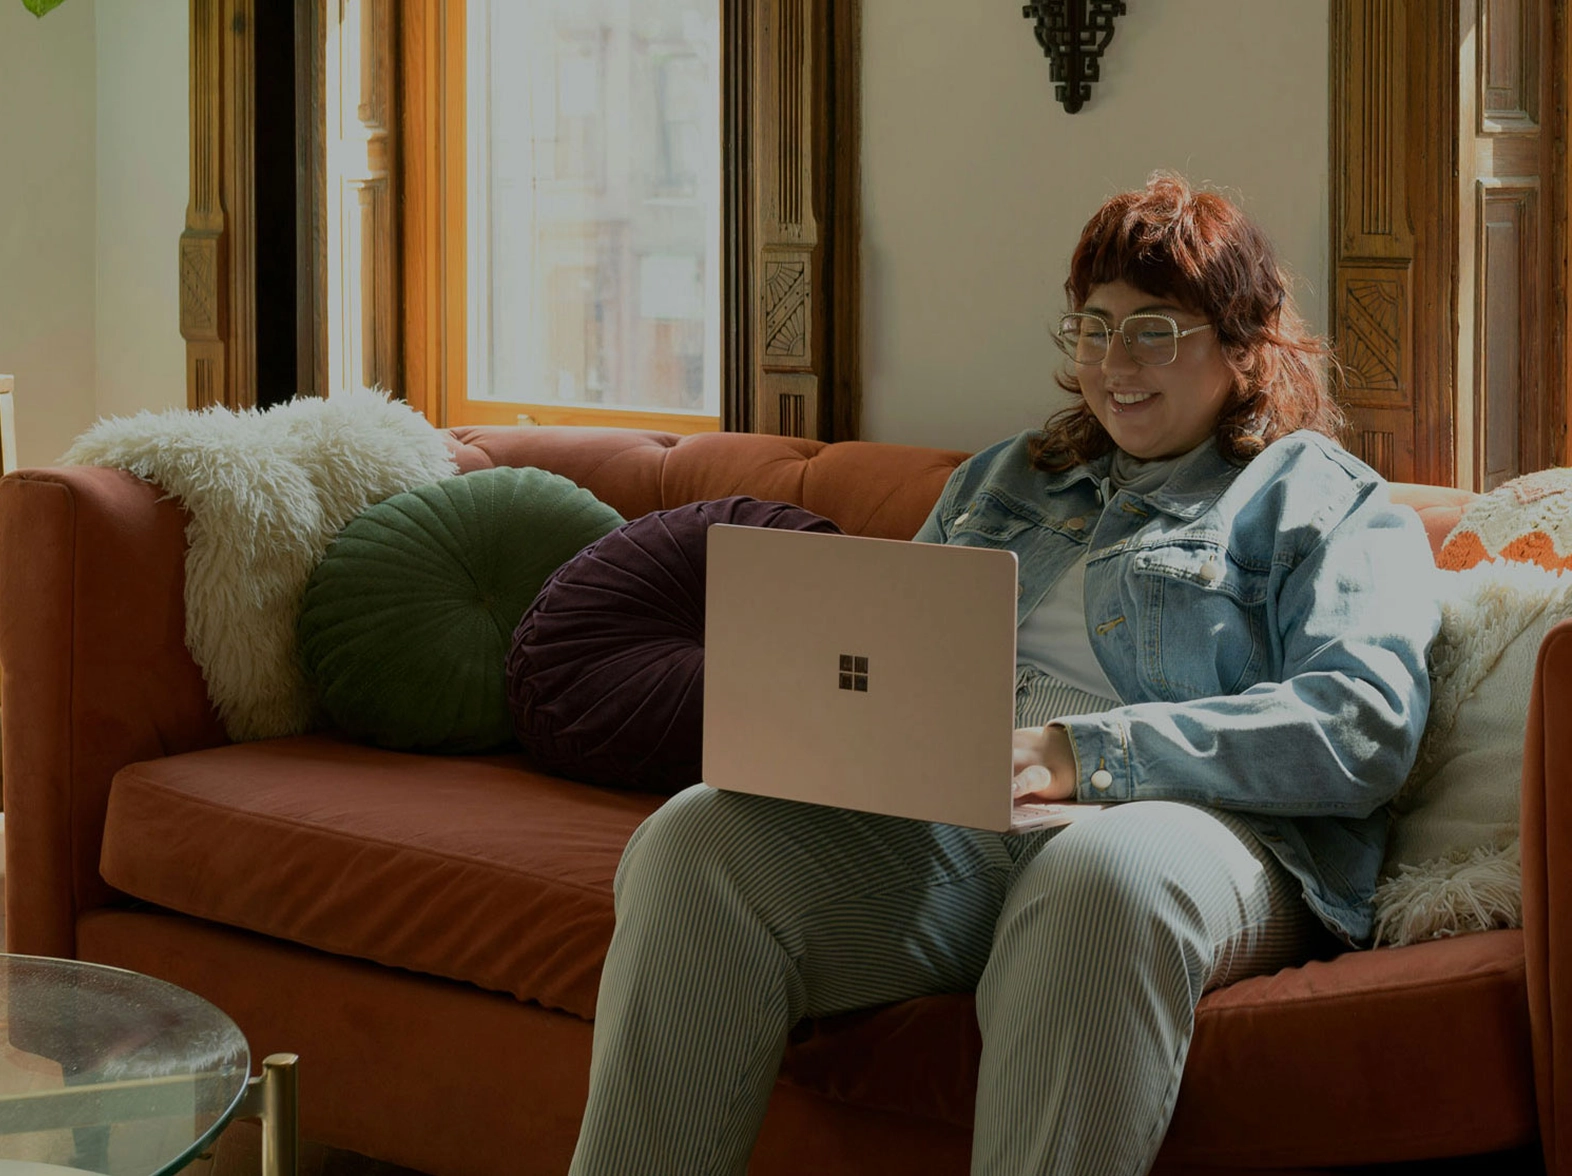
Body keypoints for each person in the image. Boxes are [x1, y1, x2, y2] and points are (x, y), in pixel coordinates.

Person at [568, 173, 1440, 1176]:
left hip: (1204, 829)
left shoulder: (1325, 503)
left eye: (1153, 330)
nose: (1115, 364)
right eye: (1093, 328)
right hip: (974, 815)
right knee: (697, 838)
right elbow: (906, 661)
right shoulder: (1006, 478)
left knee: (1096, 877)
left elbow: (1360, 725)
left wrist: (1085, 754)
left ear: (1244, 345)